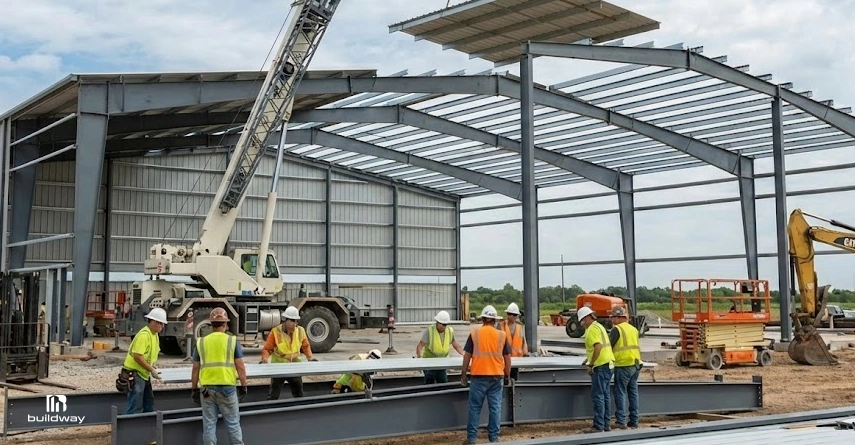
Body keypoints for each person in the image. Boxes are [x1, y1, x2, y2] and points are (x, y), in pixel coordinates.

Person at [191, 307, 248, 445]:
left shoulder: (201, 342)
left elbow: (195, 368)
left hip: (207, 390)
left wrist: (194, 388)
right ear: (225, 324)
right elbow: (240, 366)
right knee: (233, 424)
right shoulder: (232, 341)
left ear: (211, 324)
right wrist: (244, 385)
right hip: (227, 388)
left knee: (209, 425)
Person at [461, 305, 511, 444]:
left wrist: (464, 374)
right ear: (494, 320)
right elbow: (507, 358)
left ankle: (471, 439)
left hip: (478, 376)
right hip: (496, 377)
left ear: (482, 319)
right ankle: (493, 439)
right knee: (495, 408)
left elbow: (467, 356)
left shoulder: (475, 333)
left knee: (475, 408)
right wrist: (507, 375)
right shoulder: (502, 335)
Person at [260, 306, 316, 399]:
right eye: (292, 321)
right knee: (273, 395)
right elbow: (267, 349)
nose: (295, 324)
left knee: (299, 394)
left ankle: (299, 409)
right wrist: (264, 359)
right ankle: (271, 409)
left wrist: (310, 358)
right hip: (278, 368)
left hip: (294, 366)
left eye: (296, 321)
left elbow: (305, 346)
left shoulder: (300, 331)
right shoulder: (276, 332)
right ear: (285, 320)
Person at [578, 306, 615, 433]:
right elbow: (597, 348)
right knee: (605, 396)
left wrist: (591, 364)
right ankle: (605, 424)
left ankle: (598, 426)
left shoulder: (592, 329)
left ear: (588, 317)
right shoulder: (599, 326)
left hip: (600, 366)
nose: (582, 324)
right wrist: (588, 359)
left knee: (598, 396)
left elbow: (598, 347)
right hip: (607, 363)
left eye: (583, 321)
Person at [122, 307, 166, 414]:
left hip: (142, 374)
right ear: (154, 322)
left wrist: (151, 367)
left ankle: (146, 426)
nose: (163, 326)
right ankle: (132, 427)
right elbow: (137, 356)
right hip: (135, 374)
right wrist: (151, 369)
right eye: (161, 323)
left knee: (148, 402)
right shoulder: (144, 335)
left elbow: (148, 355)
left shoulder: (154, 335)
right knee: (135, 405)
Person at [609, 306, 641, 430]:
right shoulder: (634, 329)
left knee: (620, 392)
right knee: (633, 393)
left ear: (619, 317)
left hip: (623, 364)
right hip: (635, 363)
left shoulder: (617, 330)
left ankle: (620, 421)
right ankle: (634, 421)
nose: (612, 320)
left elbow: (608, 346)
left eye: (613, 317)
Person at [415, 310, 464, 384]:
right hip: (429, 363)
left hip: (442, 363)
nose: (443, 326)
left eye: (445, 324)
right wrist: (419, 358)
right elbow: (420, 345)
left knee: (443, 382)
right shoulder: (430, 331)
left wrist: (464, 354)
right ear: (437, 322)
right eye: (442, 324)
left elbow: (455, 345)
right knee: (429, 383)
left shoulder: (449, 331)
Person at [497, 302, 528, 380]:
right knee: (504, 380)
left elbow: (524, 341)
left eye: (515, 315)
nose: (514, 317)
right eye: (512, 315)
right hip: (503, 360)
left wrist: (526, 354)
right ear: (508, 315)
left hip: (516, 360)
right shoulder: (501, 326)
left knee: (514, 380)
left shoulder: (519, 327)